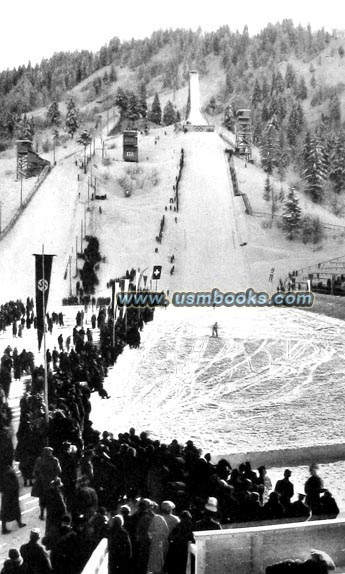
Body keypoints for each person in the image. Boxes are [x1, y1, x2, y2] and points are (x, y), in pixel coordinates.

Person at [1, 464, 26, 534]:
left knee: (5, 509)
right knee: (15, 508)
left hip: (6, 493)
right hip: (11, 492)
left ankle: (4, 528)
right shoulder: (8, 471)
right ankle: (18, 523)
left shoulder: (5, 471)